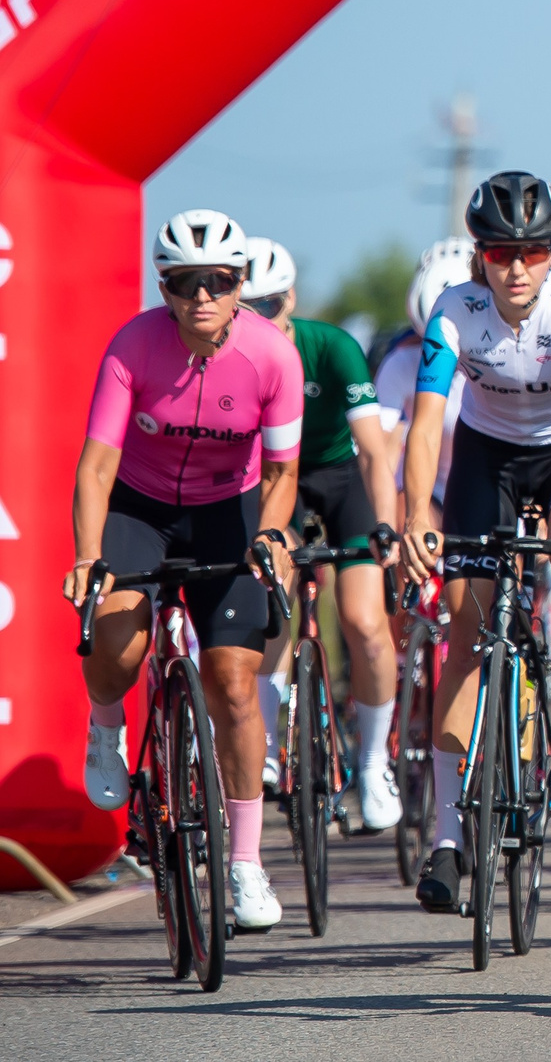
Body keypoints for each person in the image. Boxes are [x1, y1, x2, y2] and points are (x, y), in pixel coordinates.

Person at [66, 209, 306, 932]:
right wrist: (88, 556)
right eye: (184, 283)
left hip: (227, 510)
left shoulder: (273, 357)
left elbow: (283, 471)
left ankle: (245, 863)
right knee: (118, 642)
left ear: (240, 285)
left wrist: (270, 535)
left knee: (233, 681)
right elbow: (97, 466)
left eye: (219, 282)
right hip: (139, 510)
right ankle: (106, 724)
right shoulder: (133, 345)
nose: (202, 296)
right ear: (163, 288)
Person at [396, 172, 551, 913]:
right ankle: (446, 838)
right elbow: (426, 424)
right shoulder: (454, 312)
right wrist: (416, 515)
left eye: (533, 252)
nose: (517, 268)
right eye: (500, 253)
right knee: (466, 631)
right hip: (485, 458)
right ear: (481, 257)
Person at [239, 237, 405, 831]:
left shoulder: (332, 347)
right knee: (273, 599)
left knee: (365, 623)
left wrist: (385, 525)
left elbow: (373, 451)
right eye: (246, 309)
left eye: (270, 306)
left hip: (338, 476)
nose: (260, 321)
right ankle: (267, 746)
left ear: (290, 299)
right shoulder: (233, 355)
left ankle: (373, 763)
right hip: (271, 478)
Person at [374, 238, 475, 521]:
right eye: (431, 344)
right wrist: (386, 524)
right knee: (403, 513)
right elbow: (384, 451)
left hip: (487, 482)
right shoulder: (401, 362)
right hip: (429, 489)